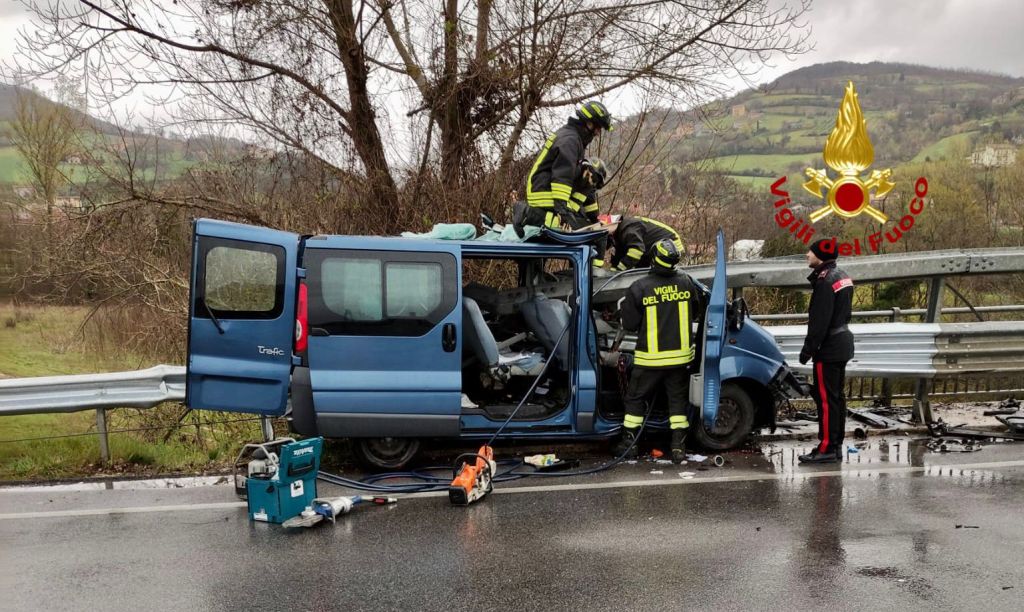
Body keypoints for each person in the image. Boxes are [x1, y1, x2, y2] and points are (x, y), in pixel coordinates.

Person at [614, 239, 704, 464]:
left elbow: (630, 324)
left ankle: (629, 444)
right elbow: (696, 313)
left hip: (650, 360)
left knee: (635, 400)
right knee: (677, 404)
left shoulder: (640, 287)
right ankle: (678, 448)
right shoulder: (686, 283)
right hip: (680, 360)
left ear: (654, 258)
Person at [798, 238, 855, 464]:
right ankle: (836, 446)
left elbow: (819, 322)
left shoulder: (824, 281)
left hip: (829, 348)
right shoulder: (842, 276)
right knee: (836, 399)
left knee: (826, 401)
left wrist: (808, 351)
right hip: (842, 343)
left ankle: (826, 448)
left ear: (820, 255)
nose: (806, 255)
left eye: (810, 251)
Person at [522, 101, 612, 230]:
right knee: (595, 235)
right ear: (589, 123)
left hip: (547, 194)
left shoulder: (573, 137)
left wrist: (595, 219)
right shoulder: (570, 140)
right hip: (545, 195)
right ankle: (567, 211)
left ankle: (574, 212)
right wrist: (563, 212)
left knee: (588, 172)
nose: (598, 133)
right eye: (598, 128)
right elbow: (562, 177)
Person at [607, 216, 684, 270]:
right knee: (641, 270)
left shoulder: (627, 229)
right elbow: (620, 253)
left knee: (656, 273)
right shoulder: (619, 234)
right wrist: (613, 270)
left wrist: (621, 269)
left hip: (670, 244)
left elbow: (636, 251)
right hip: (649, 247)